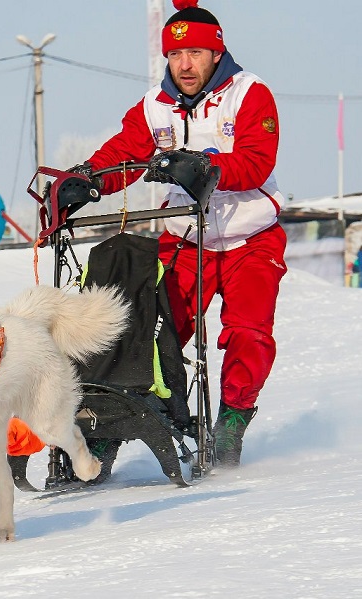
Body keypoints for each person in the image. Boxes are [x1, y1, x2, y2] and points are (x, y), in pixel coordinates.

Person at [67, 0, 287, 468]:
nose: (184, 65)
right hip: (186, 241)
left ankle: (232, 421)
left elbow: (256, 160)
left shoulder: (250, 93)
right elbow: (124, 153)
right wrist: (87, 178)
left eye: (195, 53)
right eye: (174, 55)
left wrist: (207, 166)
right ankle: (118, 423)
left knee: (248, 334)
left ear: (216, 53)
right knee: (145, 331)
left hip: (251, 239)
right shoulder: (155, 105)